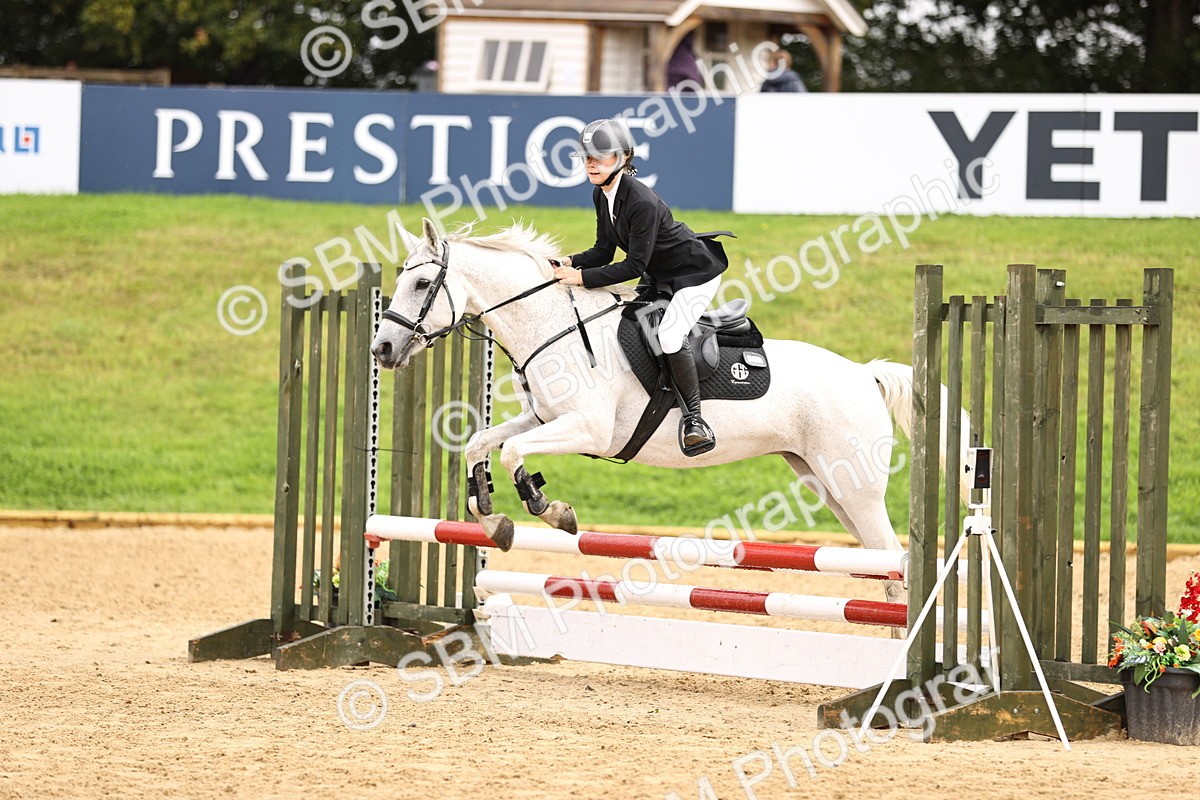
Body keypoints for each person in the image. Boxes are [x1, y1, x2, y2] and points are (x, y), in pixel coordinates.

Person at [551, 119, 728, 457]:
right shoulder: (601, 193)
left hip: (694, 274)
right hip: (661, 274)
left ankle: (695, 420)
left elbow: (633, 266)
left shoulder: (640, 201)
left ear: (623, 157)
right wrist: (569, 261)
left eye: (600, 156)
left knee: (671, 334)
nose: (590, 162)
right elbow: (603, 251)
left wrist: (582, 279)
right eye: (586, 156)